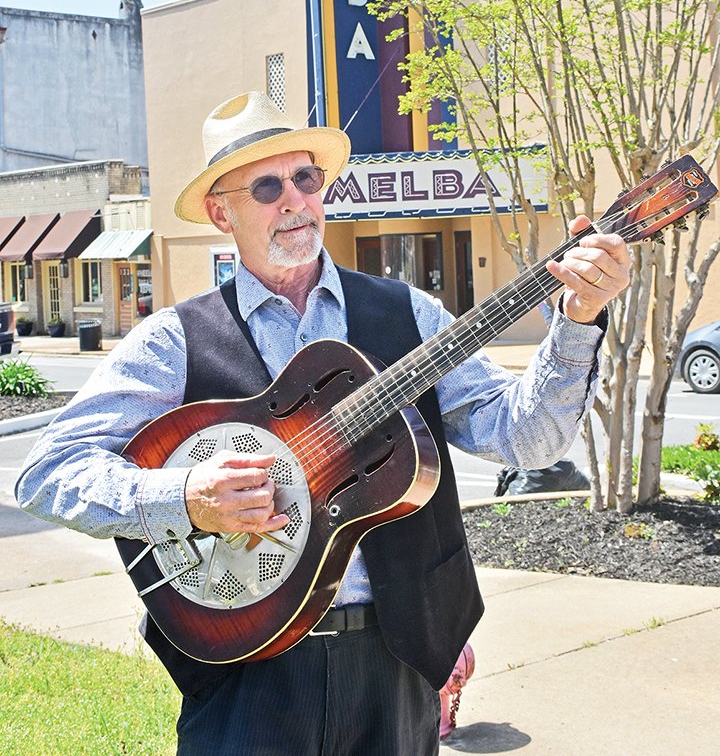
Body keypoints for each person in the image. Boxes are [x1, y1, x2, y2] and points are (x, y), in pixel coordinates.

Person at [16, 91, 631, 755]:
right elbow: (47, 471)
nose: (293, 199)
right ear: (221, 211)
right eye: (266, 185)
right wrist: (183, 498)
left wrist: (578, 317)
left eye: (305, 178)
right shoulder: (175, 341)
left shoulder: (407, 314)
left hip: (394, 666)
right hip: (245, 676)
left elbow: (526, 436)